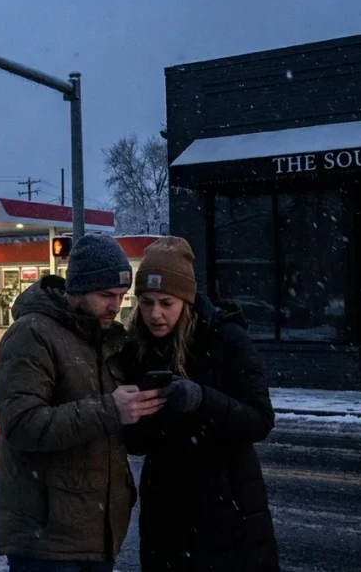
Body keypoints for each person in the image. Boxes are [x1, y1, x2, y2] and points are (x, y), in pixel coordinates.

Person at [0, 233, 166, 571]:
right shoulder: (32, 334)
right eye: (105, 295)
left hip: (98, 534)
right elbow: (21, 424)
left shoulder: (107, 339)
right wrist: (110, 409)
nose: (115, 306)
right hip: (48, 541)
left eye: (121, 296)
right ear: (77, 290)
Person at [121, 237, 278, 571]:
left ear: (186, 299)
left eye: (166, 302)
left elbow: (260, 419)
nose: (155, 314)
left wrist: (201, 400)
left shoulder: (226, 338)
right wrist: (133, 413)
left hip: (230, 513)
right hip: (165, 516)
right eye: (146, 302)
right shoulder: (136, 348)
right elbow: (135, 443)